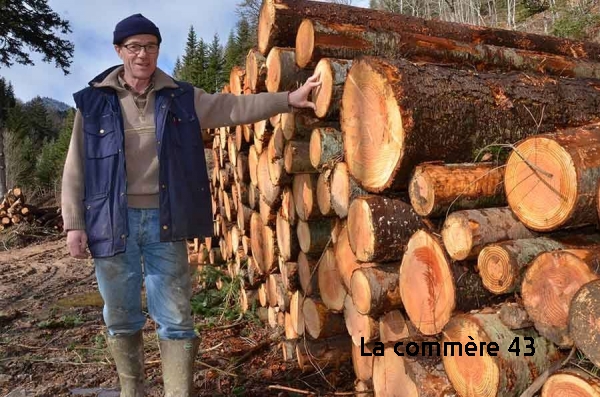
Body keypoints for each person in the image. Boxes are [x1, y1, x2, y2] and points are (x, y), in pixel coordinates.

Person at [60, 13, 320, 397]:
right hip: (111, 222)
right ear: (120, 51)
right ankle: (133, 392)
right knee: (120, 315)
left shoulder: (181, 97)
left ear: (157, 50)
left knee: (176, 316)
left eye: (150, 46)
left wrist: (287, 99)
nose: (143, 54)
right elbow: (74, 168)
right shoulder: (93, 103)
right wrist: (74, 224)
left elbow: (232, 107)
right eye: (134, 47)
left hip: (166, 219)